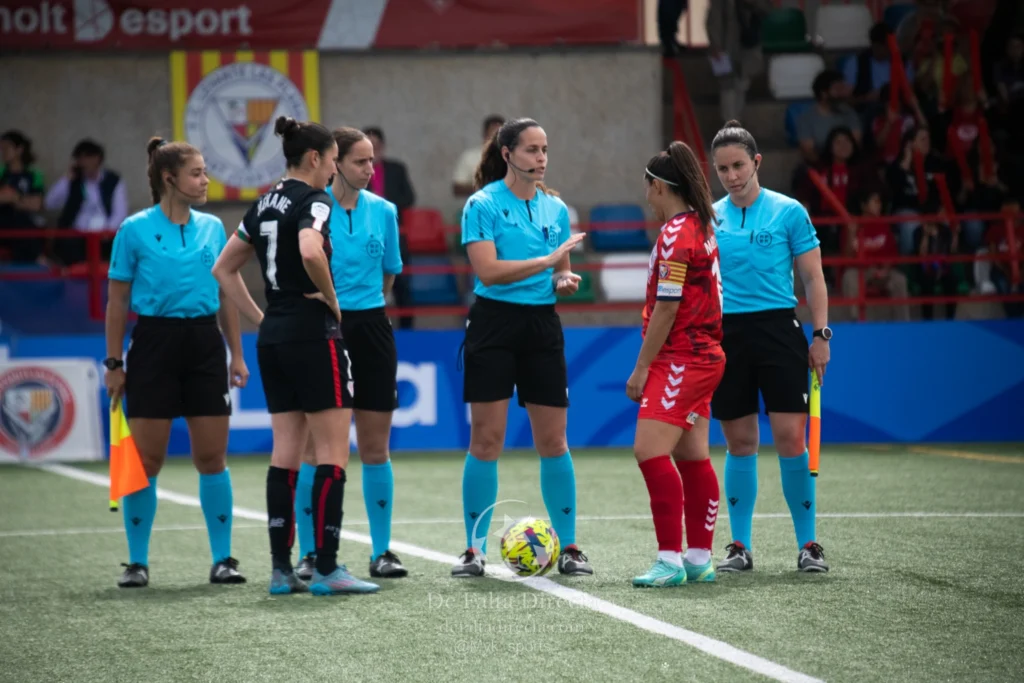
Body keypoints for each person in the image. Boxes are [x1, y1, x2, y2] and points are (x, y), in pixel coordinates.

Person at [212, 116, 379, 596]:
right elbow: (310, 249)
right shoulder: (316, 199)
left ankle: (282, 571)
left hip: (276, 336)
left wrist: (261, 319)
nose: (333, 171)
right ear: (314, 159)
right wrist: (332, 298)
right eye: (331, 161)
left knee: (284, 452)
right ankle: (327, 568)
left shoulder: (263, 202)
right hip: (313, 334)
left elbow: (224, 269)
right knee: (332, 451)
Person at [105, 137, 248, 588]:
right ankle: (137, 562)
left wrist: (237, 355)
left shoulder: (212, 228)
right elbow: (117, 301)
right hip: (153, 345)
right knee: (146, 460)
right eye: (197, 173)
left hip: (205, 344)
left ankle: (223, 559)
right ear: (169, 179)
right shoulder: (133, 230)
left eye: (205, 172)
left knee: (212, 457)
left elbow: (225, 294)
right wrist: (113, 363)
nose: (206, 180)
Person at [453, 117, 591, 578]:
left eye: (545, 149)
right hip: (493, 325)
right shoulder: (481, 204)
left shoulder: (556, 208)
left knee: (553, 441)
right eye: (532, 150)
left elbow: (559, 273)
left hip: (541, 327)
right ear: (507, 154)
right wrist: (548, 262)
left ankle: (570, 547)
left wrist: (563, 278)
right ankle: (474, 551)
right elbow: (488, 272)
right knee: (486, 440)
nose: (542, 158)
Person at [708, 120, 831, 573]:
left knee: (788, 438)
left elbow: (814, 278)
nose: (732, 175)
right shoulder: (711, 216)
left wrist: (820, 335)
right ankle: (739, 546)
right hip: (727, 336)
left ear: (756, 162)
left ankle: (809, 545)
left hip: (780, 331)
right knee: (739, 442)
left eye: (739, 165)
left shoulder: (789, 211)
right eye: (723, 169)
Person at [292, 126, 408, 582]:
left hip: (373, 327)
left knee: (376, 447)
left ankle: (382, 552)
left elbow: (389, 275)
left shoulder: (384, 211)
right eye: (361, 161)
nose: (370, 169)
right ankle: (308, 551)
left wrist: (365, 311)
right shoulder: (311, 209)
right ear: (334, 162)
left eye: (372, 161)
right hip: (323, 330)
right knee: (312, 447)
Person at [626, 141, 725, 587]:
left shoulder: (674, 234)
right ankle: (699, 557)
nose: (645, 196)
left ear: (660, 187)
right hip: (703, 353)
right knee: (692, 454)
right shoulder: (701, 225)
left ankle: (669, 560)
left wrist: (642, 368)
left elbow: (667, 308)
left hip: (682, 356)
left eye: (647, 187)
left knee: (649, 450)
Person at [363, 126, 416, 329]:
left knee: (402, 282)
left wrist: (384, 207)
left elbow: (409, 198)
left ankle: (408, 329)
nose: (374, 150)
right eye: (369, 146)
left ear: (383, 146)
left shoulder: (397, 168)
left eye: (377, 145)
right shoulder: (353, 173)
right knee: (368, 284)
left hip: (394, 232)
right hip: (364, 235)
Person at [0, 130, 45, 264]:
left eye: (7, 148)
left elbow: (36, 205)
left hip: (25, 222)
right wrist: (21, 200)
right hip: (3, 221)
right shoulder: (1, 173)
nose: (4, 151)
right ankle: (38, 259)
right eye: (2, 148)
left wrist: (14, 198)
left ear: (19, 149)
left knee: (21, 219)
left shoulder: (34, 174)